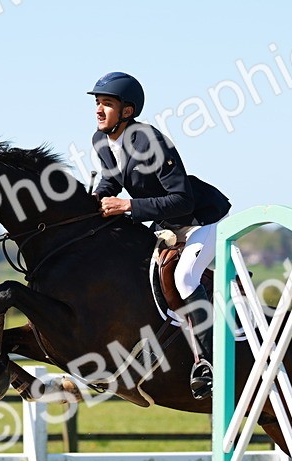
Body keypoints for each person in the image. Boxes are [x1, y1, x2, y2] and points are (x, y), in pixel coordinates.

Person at [87, 71, 231, 399]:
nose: (98, 110)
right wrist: (92, 202)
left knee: (184, 279)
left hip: (200, 220)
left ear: (127, 111)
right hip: (165, 225)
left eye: (106, 104)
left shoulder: (148, 141)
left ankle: (209, 362)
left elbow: (182, 199)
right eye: (97, 103)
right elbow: (110, 182)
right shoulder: (100, 140)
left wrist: (127, 206)